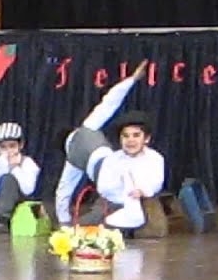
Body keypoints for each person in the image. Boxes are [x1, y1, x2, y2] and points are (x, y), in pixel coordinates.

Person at [53, 60, 148, 227]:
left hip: (108, 177)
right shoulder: (88, 126)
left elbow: (63, 192)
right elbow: (109, 102)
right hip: (119, 162)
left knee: (108, 210)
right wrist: (131, 80)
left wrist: (64, 221)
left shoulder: (72, 159)